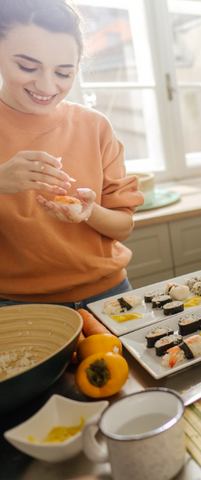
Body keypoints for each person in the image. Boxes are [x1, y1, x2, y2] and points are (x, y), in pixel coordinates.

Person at [0, 0, 144, 310]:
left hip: (109, 293)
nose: (46, 85)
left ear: (77, 68)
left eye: (63, 72)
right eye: (27, 67)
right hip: (17, 305)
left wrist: (89, 211)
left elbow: (124, 226)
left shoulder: (95, 126)